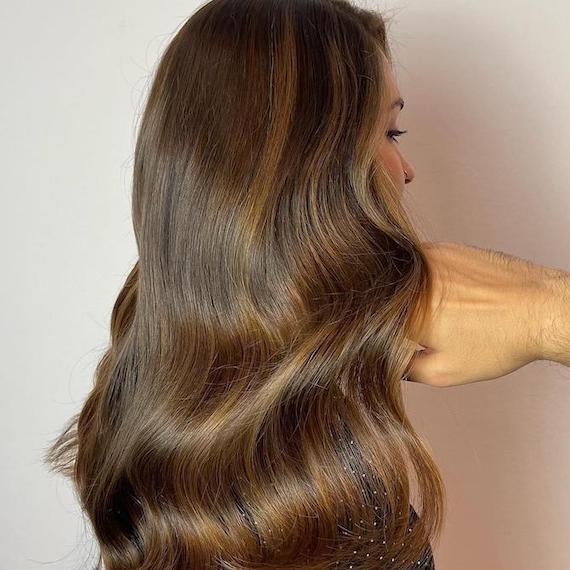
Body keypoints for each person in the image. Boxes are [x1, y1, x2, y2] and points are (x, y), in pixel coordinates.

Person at [44, 1, 569, 569]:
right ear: (307, 177)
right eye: (391, 132)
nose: (407, 168)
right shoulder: (313, 510)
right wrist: (545, 313)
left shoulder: (166, 448)